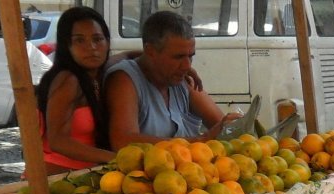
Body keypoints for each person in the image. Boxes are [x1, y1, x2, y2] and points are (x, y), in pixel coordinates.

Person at [105, 11, 236, 149]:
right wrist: (201, 140)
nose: (187, 66)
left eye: (190, 56)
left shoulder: (181, 79)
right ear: (150, 51)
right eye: (178, 57)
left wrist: (231, 124)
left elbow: (224, 127)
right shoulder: (125, 80)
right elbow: (122, 141)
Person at [36, 6, 115, 173]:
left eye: (97, 39)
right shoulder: (68, 80)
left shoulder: (97, 74)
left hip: (87, 175)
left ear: (107, 42)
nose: (91, 47)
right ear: (67, 45)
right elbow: (57, 140)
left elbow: (124, 57)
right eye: (80, 40)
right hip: (58, 179)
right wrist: (114, 158)